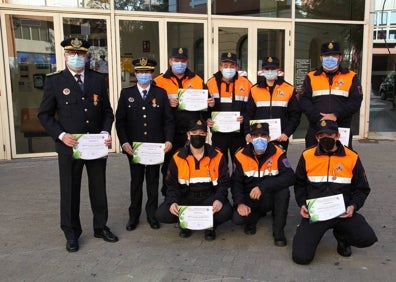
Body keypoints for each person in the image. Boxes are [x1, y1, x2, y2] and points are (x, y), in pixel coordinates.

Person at [38, 37, 118, 253]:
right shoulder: (54, 81)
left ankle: (100, 227)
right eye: (72, 54)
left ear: (86, 56)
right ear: (64, 55)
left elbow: (107, 112)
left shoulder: (97, 79)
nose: (76, 58)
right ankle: (71, 232)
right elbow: (44, 115)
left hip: (95, 146)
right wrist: (61, 135)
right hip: (69, 147)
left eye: (80, 54)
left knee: (98, 188)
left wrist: (104, 132)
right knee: (69, 190)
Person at [292, 120, 377, 265]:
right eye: (321, 135)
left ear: (337, 135)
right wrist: (302, 204)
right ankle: (309, 233)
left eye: (330, 134)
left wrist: (353, 206)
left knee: (367, 238)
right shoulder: (307, 155)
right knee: (301, 257)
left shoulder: (352, 157)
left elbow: (362, 189)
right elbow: (299, 184)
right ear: (317, 138)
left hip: (342, 211)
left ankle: (342, 237)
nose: (325, 138)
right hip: (316, 212)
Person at [115, 57, 174, 231]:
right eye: (140, 72)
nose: (143, 75)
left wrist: (169, 140)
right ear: (135, 74)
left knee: (153, 181)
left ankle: (152, 214)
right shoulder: (127, 94)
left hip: (155, 148)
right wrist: (124, 142)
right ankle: (133, 216)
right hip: (134, 149)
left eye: (147, 72)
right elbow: (120, 122)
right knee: (136, 181)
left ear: (152, 74)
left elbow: (168, 121)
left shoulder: (160, 93)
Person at [155, 119, 233, 241]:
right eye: (194, 132)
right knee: (162, 213)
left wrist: (219, 199)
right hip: (186, 198)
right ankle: (185, 223)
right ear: (188, 135)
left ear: (206, 135)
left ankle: (210, 227)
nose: (198, 136)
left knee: (226, 211)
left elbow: (224, 183)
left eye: (202, 133)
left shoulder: (217, 155)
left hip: (209, 198)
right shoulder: (178, 157)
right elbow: (171, 185)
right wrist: (173, 202)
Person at [154, 47, 214, 195]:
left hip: (192, 132)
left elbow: (206, 108)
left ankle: (188, 195)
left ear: (187, 62)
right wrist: (166, 104)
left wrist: (210, 104)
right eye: (176, 60)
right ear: (170, 61)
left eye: (182, 61)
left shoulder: (197, 79)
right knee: (169, 166)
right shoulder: (159, 81)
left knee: (190, 163)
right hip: (169, 133)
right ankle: (169, 196)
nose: (179, 63)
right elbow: (152, 106)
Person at [231, 122, 295, 246]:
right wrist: (240, 203)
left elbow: (290, 177)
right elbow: (236, 183)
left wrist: (263, 186)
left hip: (268, 196)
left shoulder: (278, 152)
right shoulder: (240, 155)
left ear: (269, 138)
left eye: (263, 136)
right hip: (250, 197)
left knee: (283, 192)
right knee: (237, 219)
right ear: (250, 138)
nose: (259, 139)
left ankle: (278, 231)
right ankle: (252, 218)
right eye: (255, 136)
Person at [298, 41, 363, 148]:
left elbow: (355, 102)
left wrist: (335, 115)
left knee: (341, 161)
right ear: (321, 58)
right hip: (317, 127)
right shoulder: (311, 76)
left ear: (340, 58)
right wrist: (318, 117)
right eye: (326, 55)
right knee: (313, 161)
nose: (330, 58)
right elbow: (304, 100)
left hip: (341, 128)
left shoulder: (351, 76)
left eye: (334, 55)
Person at [245, 56, 301, 151]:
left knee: (279, 164)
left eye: (273, 69)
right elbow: (248, 114)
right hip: (259, 137)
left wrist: (287, 133)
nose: (270, 71)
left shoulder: (289, 89)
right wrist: (247, 132)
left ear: (278, 70)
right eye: (267, 69)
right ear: (263, 70)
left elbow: (295, 115)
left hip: (280, 137)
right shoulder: (254, 89)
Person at [206, 52, 252, 162]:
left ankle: (238, 180)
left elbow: (250, 109)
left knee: (240, 163)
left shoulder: (246, 84)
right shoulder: (210, 83)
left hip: (238, 134)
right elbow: (204, 108)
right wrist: (207, 119)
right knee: (219, 163)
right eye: (225, 65)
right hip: (219, 134)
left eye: (232, 66)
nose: (229, 68)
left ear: (237, 67)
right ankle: (222, 180)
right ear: (220, 67)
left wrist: (244, 118)